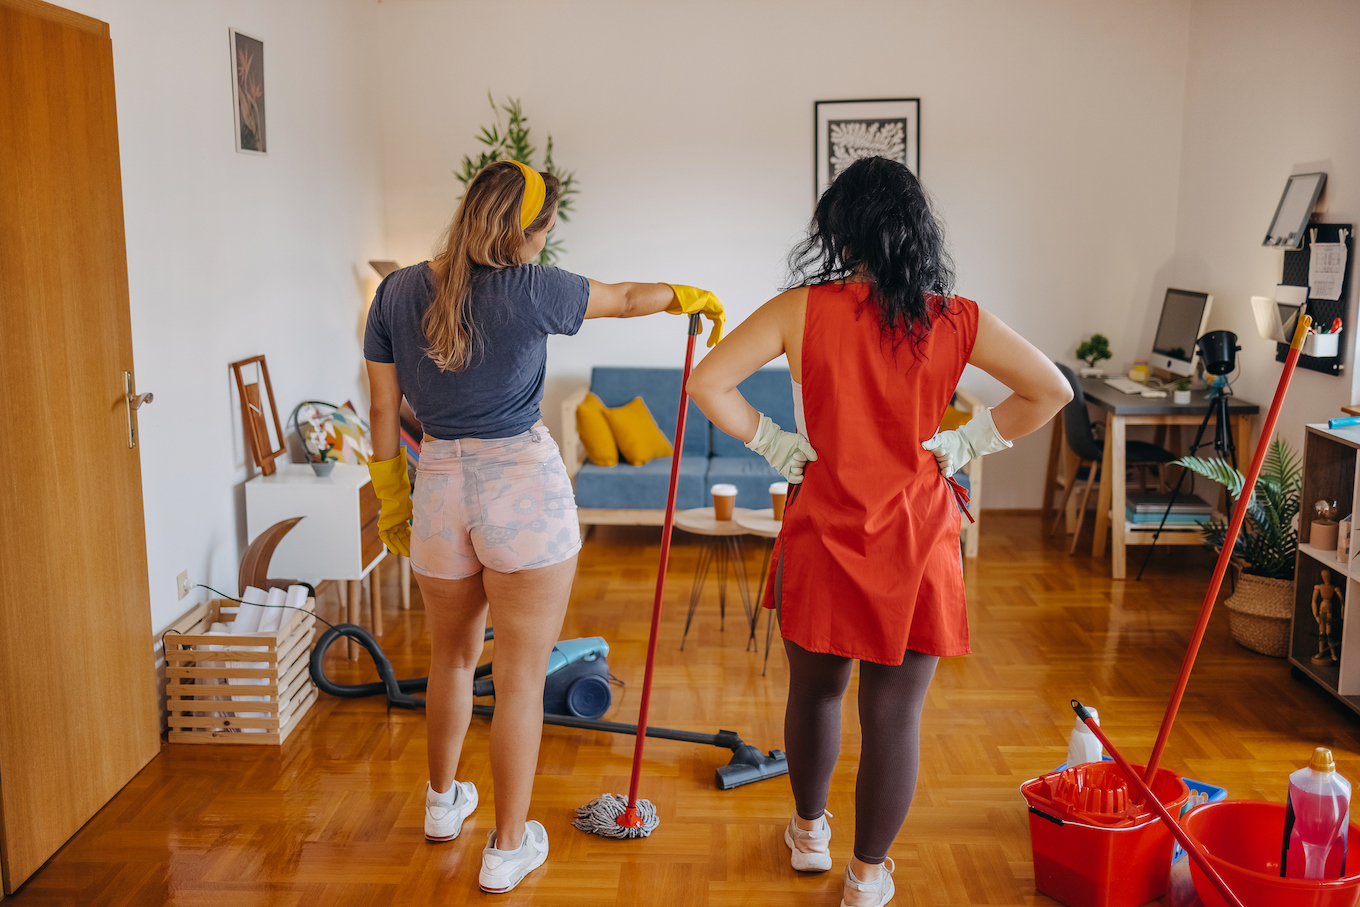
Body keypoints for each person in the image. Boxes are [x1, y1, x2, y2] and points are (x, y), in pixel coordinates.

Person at [686, 156, 1071, 907]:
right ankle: (866, 875)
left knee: (817, 693)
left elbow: (707, 381)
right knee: (894, 712)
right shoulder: (956, 316)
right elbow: (1049, 388)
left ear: (841, 227)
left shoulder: (801, 308)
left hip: (824, 527)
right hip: (920, 537)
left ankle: (807, 831)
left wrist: (773, 443)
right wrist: (967, 443)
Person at [363, 160, 724, 895]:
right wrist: (685, 294)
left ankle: (441, 806)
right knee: (523, 681)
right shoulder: (533, 287)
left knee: (452, 658)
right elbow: (625, 298)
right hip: (520, 487)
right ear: (538, 228)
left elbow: (380, 413)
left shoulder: (397, 290)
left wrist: (390, 493)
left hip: (434, 486)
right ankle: (506, 846)